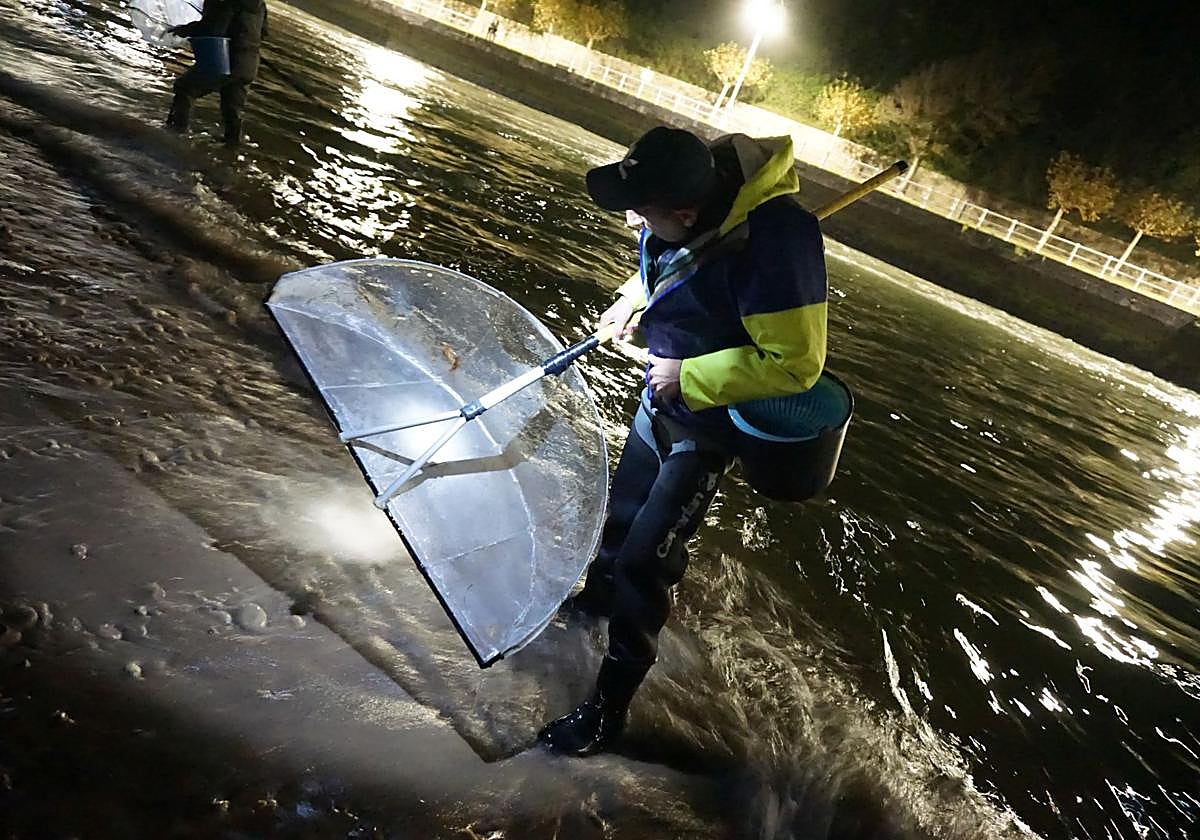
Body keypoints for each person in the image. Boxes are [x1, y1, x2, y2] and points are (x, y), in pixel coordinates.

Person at [537, 126, 829, 756]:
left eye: (641, 212)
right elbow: (673, 264)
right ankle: (591, 609)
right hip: (661, 398)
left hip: (708, 422)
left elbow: (796, 365)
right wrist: (631, 297)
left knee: (645, 561)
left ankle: (607, 712)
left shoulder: (779, 244)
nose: (631, 222)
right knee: (620, 521)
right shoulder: (683, 192)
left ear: (688, 212)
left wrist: (689, 377)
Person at [165, 0, 268, 146]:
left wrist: (184, 30)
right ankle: (232, 147)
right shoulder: (259, 4)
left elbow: (213, 29)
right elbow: (264, 33)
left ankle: (175, 137)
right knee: (232, 109)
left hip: (225, 60)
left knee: (185, 88)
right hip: (249, 65)